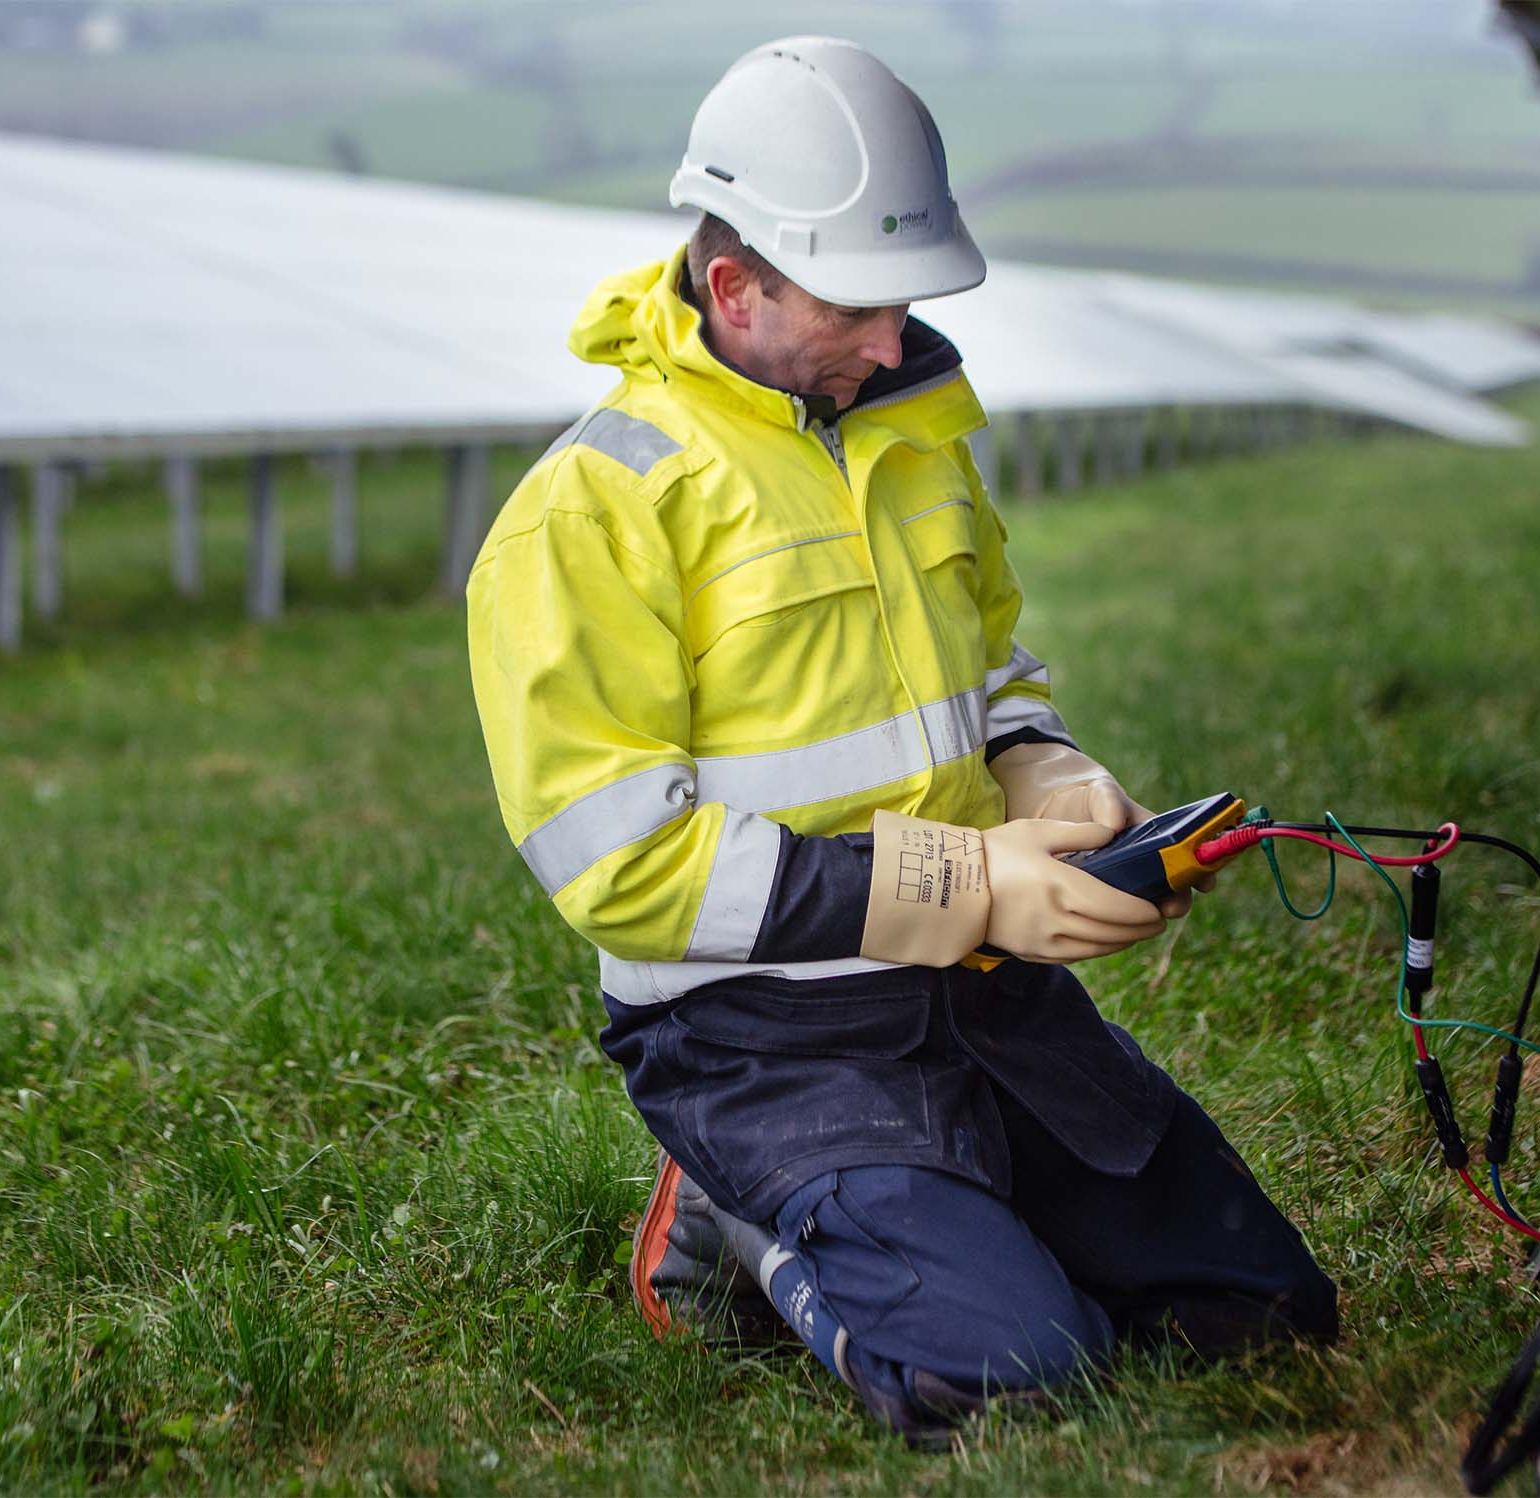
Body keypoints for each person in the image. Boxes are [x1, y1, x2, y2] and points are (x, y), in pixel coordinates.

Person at [466, 36, 1337, 1446]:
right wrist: (974, 884)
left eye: (904, 301)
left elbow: (991, 665)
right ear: (733, 285)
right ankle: (743, 1208)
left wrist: (1044, 766)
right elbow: (627, 869)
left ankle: (923, 1202)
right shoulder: (593, 511)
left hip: (971, 993)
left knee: (1262, 1310)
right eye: (859, 306)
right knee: (1014, 1385)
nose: (893, 340)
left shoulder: (906, 431)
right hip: (760, 1029)